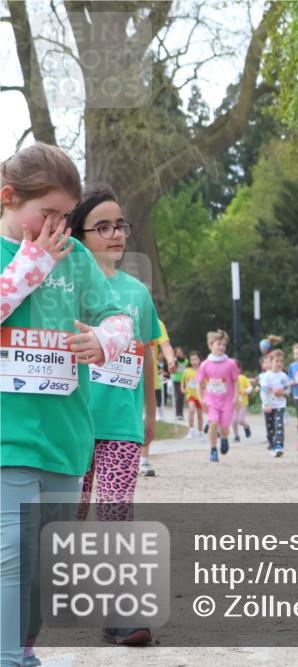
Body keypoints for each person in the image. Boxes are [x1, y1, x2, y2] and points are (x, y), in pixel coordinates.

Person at [1, 143, 134, 667]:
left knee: (42, 562)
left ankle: (24, 650)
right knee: (10, 553)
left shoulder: (76, 259)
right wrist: (32, 263)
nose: (57, 227)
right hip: (8, 435)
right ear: (9, 198)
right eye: (48, 214)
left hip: (65, 438)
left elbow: (118, 317)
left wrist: (106, 340)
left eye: (65, 216)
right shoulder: (26, 253)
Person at [67, 186, 159, 647]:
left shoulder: (138, 294)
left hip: (121, 424)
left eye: (120, 224)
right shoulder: (64, 285)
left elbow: (146, 354)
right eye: (103, 226)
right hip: (73, 421)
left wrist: (149, 411)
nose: (116, 234)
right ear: (79, 234)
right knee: (68, 516)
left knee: (116, 515)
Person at [196, 329, 240, 462]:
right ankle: (213, 450)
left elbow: (236, 380)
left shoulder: (231, 363)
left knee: (225, 426)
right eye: (218, 344)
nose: (221, 347)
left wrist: (236, 397)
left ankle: (225, 438)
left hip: (227, 400)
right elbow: (199, 383)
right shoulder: (205, 364)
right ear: (210, 345)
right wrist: (201, 399)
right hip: (211, 399)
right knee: (213, 422)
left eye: (224, 345)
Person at [143, 318, 174, 477]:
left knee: (147, 419)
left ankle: (144, 459)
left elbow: (165, 345)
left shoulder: (156, 323)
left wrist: (170, 359)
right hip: (125, 379)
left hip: (149, 379)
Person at [259, 349, 290, 457]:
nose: (279, 363)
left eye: (281, 361)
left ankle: (279, 446)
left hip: (280, 405)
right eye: (276, 361)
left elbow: (288, 391)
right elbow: (263, 392)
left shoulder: (284, 376)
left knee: (279, 425)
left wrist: (283, 393)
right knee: (270, 428)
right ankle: (272, 445)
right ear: (271, 362)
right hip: (268, 406)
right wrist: (266, 404)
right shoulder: (266, 376)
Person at [182, 351, 205, 439]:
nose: (194, 361)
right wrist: (183, 389)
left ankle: (200, 431)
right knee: (191, 410)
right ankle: (191, 430)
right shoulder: (187, 371)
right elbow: (183, 382)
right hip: (190, 395)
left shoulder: (202, 371)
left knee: (200, 415)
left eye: (196, 359)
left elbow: (205, 383)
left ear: (199, 360)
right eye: (192, 360)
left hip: (200, 396)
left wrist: (203, 387)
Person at [232, 360, 253, 443]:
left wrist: (246, 391)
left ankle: (246, 427)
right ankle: (236, 436)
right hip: (233, 403)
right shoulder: (229, 379)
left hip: (243, 403)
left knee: (240, 420)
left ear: (239, 369)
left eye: (235, 368)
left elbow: (250, 387)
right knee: (234, 421)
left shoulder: (242, 378)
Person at [171, 345, 188, 421]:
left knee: (182, 397)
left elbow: (188, 369)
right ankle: (177, 414)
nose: (179, 353)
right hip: (176, 380)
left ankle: (181, 414)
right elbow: (172, 370)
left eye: (180, 352)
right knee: (178, 397)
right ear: (175, 354)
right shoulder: (174, 360)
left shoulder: (186, 361)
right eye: (177, 352)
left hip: (183, 380)